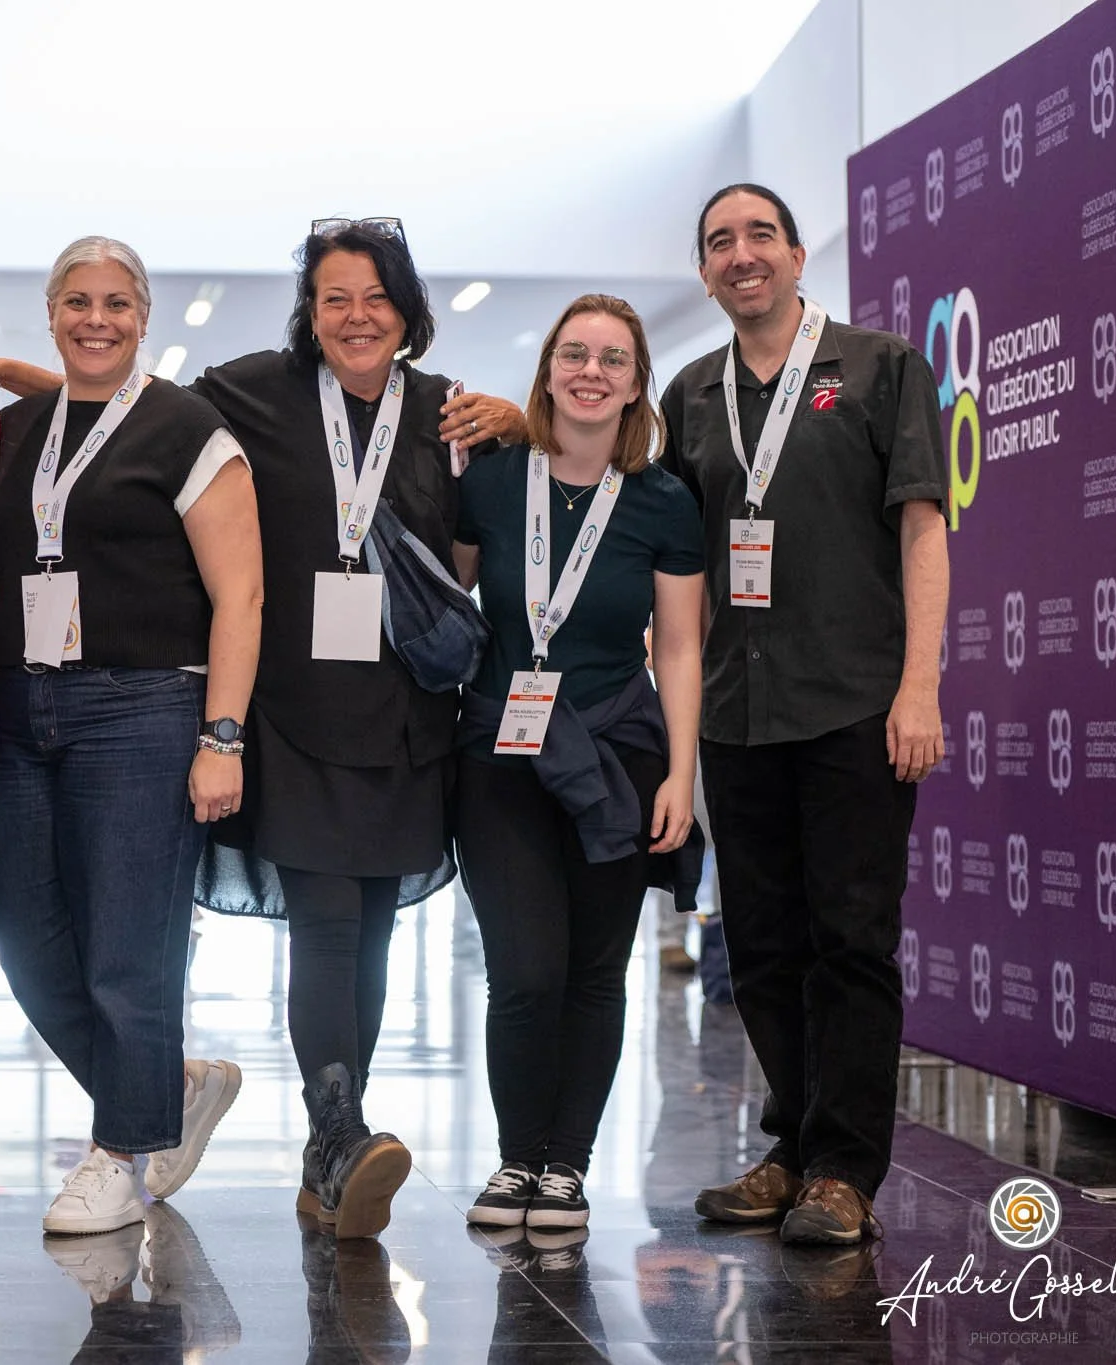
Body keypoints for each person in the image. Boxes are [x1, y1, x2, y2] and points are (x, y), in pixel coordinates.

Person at [0, 219, 525, 1241]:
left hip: (405, 712)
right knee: (325, 923)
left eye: (373, 297)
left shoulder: (446, 414)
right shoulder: (252, 392)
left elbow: (485, 527)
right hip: (288, 712)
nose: (354, 315)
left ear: (405, 310)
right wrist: (14, 379)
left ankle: (331, 1151)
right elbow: (128, 403)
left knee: (366, 931)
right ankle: (336, 1128)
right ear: (309, 313)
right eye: (333, 298)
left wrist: (518, 420)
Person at [662, 183, 948, 1246]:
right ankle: (789, 1145)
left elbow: (921, 532)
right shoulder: (691, 393)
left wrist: (918, 685)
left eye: (756, 237)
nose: (739, 256)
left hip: (854, 706)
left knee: (851, 944)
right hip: (739, 711)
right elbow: (675, 569)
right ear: (703, 272)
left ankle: (844, 1170)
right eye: (717, 243)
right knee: (763, 946)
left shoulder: (877, 368)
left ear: (791, 254)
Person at [0, 236, 264, 1236]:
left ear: (143, 316)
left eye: (115, 302)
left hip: (142, 708)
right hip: (17, 709)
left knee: (127, 949)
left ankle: (119, 1151)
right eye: (75, 301)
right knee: (23, 939)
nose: (95, 318)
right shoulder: (16, 430)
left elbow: (242, 594)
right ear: (50, 312)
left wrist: (219, 736)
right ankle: (166, 1087)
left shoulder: (189, 430)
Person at [450, 294, 704, 1233]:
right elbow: (447, 599)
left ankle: (566, 1167)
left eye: (612, 359)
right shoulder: (489, 480)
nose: (591, 371)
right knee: (522, 968)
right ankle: (518, 1160)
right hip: (500, 752)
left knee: (596, 970)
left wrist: (682, 772)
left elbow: (678, 646)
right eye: (574, 354)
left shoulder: (664, 501)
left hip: (616, 752)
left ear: (637, 382)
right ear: (549, 367)